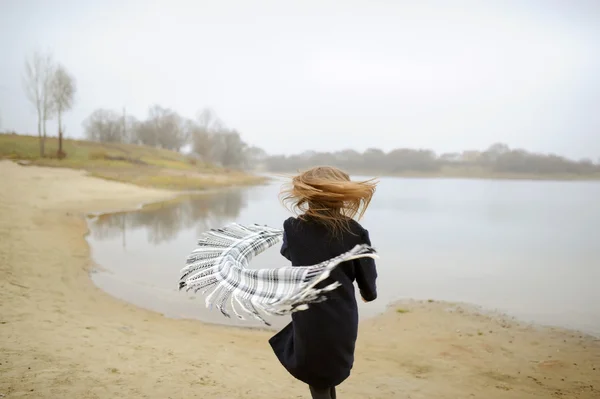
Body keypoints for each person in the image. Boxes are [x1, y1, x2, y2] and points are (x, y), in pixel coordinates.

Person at [268, 166, 379, 399]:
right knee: (328, 370)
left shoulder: (293, 227)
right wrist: (369, 294)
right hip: (341, 313)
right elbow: (366, 273)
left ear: (307, 195)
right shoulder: (355, 231)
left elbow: (288, 254)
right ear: (341, 196)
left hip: (308, 312)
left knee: (317, 374)